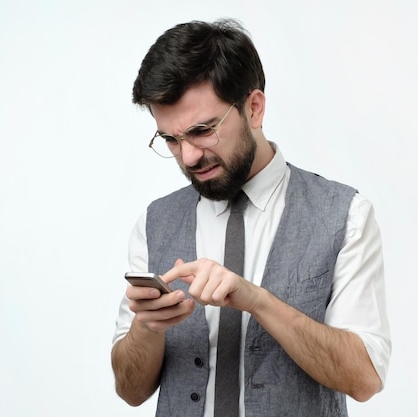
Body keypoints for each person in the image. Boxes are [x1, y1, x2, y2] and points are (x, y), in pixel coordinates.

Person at [111, 18, 391, 417]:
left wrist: (256, 301)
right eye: (171, 140)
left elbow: (365, 378)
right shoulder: (154, 223)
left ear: (254, 108)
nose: (188, 157)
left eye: (203, 130)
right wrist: (146, 327)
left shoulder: (345, 215)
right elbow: (130, 391)